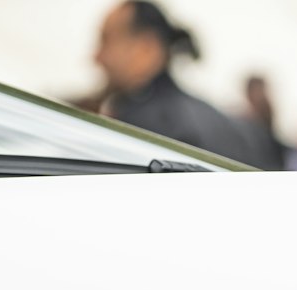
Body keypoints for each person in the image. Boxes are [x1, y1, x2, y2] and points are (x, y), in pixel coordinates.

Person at [93, 3, 273, 167]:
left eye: (106, 40)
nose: (96, 57)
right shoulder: (232, 126)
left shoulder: (137, 128)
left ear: (146, 48)